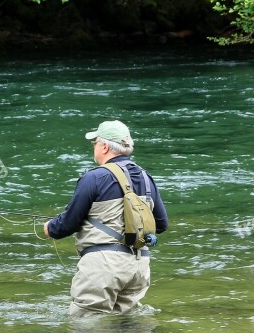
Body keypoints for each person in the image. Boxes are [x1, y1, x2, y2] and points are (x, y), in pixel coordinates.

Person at [44, 120, 168, 315]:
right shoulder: (146, 178)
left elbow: (67, 224)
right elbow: (161, 224)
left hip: (103, 266)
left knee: (86, 325)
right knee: (127, 327)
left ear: (104, 146)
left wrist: (50, 227)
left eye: (95, 143)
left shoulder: (94, 177)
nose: (94, 148)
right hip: (139, 266)